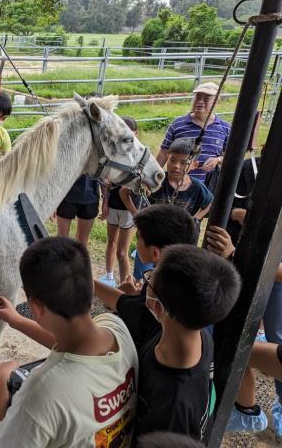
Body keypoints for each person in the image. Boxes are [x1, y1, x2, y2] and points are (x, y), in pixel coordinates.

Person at [0, 237, 139, 447]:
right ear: (92, 287)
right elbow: (73, 344)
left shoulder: (43, 391)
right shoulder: (117, 328)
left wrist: (1, 385)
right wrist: (16, 320)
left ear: (35, 306)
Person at [132, 245, 241, 440]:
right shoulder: (200, 338)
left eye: (149, 278)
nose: (145, 281)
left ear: (157, 307)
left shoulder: (173, 408)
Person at [94, 204, 200, 349]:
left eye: (138, 238)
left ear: (156, 253)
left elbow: (130, 308)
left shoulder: (160, 290)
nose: (136, 244)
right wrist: (136, 294)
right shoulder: (182, 278)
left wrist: (85, 280)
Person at [156, 82, 230, 188]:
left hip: (208, 187)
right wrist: (153, 176)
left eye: (206, 99)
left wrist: (218, 160)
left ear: (216, 102)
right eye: (197, 97)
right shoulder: (178, 124)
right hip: (176, 185)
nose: (200, 102)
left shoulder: (225, 128)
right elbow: (164, 152)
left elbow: (231, 156)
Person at [99, 117, 142, 286]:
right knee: (111, 242)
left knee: (122, 252)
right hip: (114, 203)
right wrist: (106, 200)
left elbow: (138, 181)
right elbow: (105, 177)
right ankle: (109, 277)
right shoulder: (114, 153)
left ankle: (126, 284)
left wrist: (116, 181)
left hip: (129, 207)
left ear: (136, 134)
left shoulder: (139, 155)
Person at [149, 138, 213, 221]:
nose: (176, 166)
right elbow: (128, 192)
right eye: (172, 160)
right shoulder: (156, 180)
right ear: (168, 158)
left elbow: (209, 203)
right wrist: (136, 214)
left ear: (194, 165)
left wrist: (196, 219)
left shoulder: (198, 187)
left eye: (183, 163)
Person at [55, 175, 100, 248]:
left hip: (90, 198)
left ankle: (78, 259)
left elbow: (104, 174)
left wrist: (106, 199)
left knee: (82, 241)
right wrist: (55, 201)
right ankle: (61, 259)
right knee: (62, 239)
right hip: (67, 197)